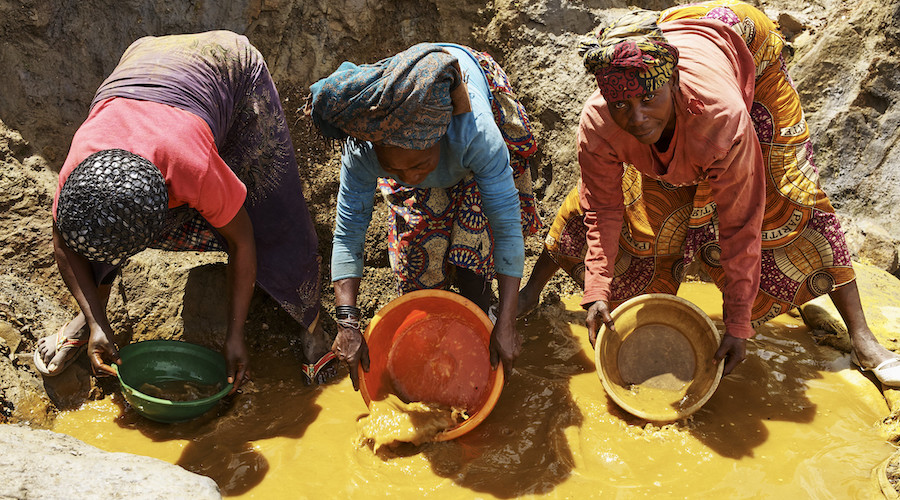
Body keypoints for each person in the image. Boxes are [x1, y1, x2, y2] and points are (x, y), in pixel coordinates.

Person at [518, 0, 900, 385]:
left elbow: (741, 223)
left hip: (746, 43)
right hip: (659, 38)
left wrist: (738, 324)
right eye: (621, 104)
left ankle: (863, 338)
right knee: (641, 209)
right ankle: (531, 291)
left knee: (787, 198)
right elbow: (602, 208)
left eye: (648, 99)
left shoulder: (721, 118)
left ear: (673, 80)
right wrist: (597, 289)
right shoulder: (601, 121)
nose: (636, 117)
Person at [35, 30, 335, 391]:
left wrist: (234, 334)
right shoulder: (80, 174)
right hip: (144, 62)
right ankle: (90, 320)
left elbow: (242, 240)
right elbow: (64, 241)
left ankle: (312, 322)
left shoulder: (190, 166)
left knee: (269, 204)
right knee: (98, 230)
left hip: (228, 64)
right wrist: (99, 322)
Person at [306, 42, 541, 389]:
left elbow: (506, 228)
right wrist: (347, 323)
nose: (410, 176)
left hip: (472, 97)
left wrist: (506, 323)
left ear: (440, 138)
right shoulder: (364, 146)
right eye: (393, 167)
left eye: (418, 164)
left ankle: (482, 311)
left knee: (474, 239)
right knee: (417, 261)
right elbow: (348, 233)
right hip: (415, 125)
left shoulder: (474, 134)